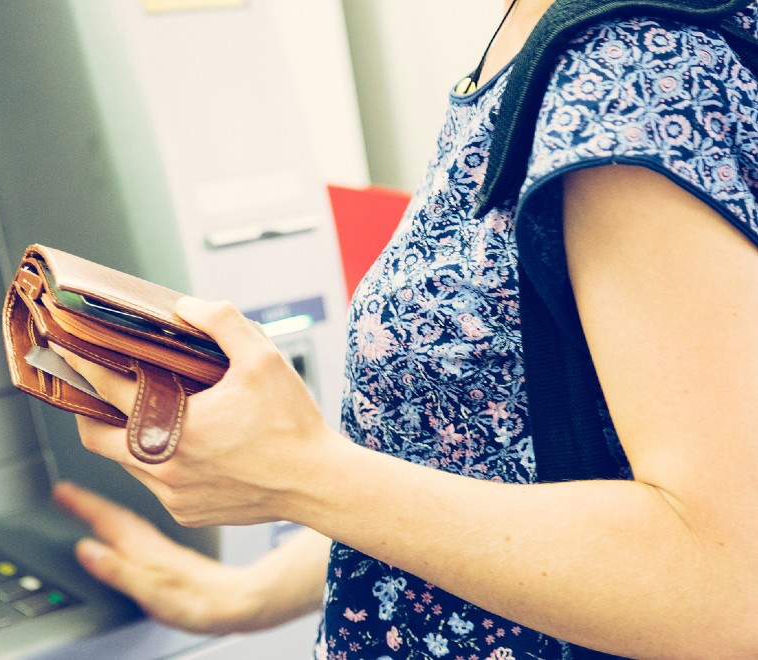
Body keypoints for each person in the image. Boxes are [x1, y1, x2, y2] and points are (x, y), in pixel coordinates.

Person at [50, 0, 758, 657]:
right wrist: (247, 591)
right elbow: (494, 459)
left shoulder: (635, 66)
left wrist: (299, 474)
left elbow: (729, 583)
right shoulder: (552, 30)